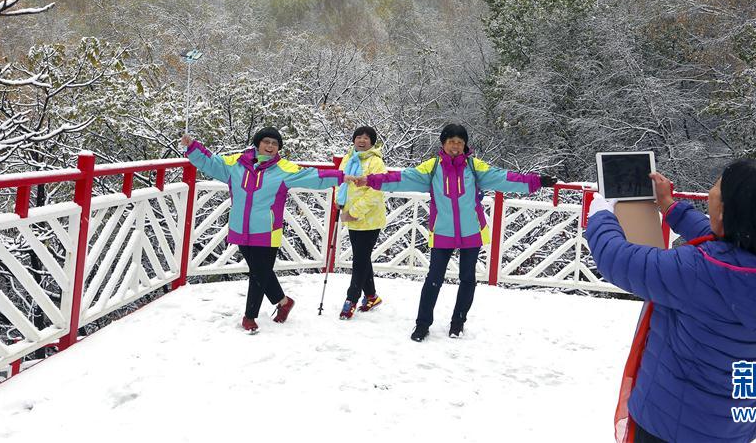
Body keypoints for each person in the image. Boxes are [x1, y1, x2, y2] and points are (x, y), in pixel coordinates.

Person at [584, 159, 756, 443]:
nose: (711, 190)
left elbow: (617, 259)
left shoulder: (697, 271)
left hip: (668, 425)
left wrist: (601, 213)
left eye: (716, 185)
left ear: (726, 210)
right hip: (733, 426)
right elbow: (723, 240)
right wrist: (669, 207)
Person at [353, 123, 557, 341]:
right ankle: (422, 325)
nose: (455, 146)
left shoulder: (474, 167)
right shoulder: (432, 168)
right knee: (434, 278)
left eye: (460, 142)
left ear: (465, 145)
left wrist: (537, 181)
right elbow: (402, 178)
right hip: (442, 231)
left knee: (467, 278)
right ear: (443, 143)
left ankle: (457, 323)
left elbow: (504, 178)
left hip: (471, 231)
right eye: (451, 142)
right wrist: (371, 180)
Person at [181, 128, 344, 334]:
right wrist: (192, 147)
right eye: (266, 141)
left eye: (274, 144)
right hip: (241, 227)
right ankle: (283, 302)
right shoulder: (236, 164)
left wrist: (342, 177)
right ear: (257, 144)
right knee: (261, 271)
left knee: (258, 273)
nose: (270, 146)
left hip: (267, 230)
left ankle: (250, 317)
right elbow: (211, 163)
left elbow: (313, 176)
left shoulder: (284, 169)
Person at [335, 125, 387, 320]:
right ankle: (372, 296)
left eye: (367, 138)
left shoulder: (376, 162)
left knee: (360, 259)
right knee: (362, 257)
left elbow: (376, 190)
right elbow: (341, 182)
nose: (362, 140)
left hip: (370, 219)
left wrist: (354, 212)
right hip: (351, 216)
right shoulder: (348, 158)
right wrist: (339, 203)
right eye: (359, 137)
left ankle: (352, 299)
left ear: (372, 142)